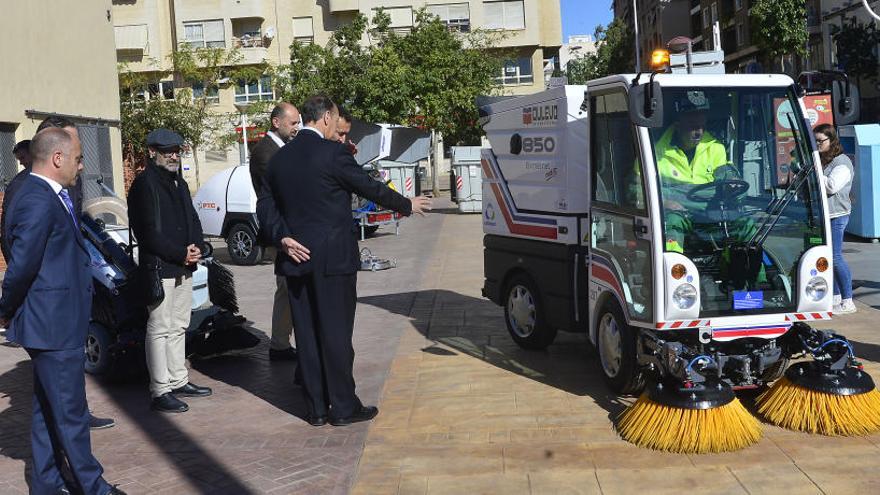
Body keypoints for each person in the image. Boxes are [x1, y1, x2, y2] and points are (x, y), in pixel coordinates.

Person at [265, 95, 431, 426]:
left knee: (307, 335)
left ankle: (315, 408)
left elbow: (265, 207)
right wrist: (406, 204)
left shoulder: (279, 159)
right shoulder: (332, 153)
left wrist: (281, 238)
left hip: (295, 259)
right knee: (336, 334)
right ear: (326, 118)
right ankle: (342, 407)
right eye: (336, 120)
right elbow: (369, 187)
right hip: (332, 260)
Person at [0, 128, 125, 495]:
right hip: (51, 323)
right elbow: (21, 264)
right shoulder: (36, 198)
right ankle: (93, 486)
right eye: (77, 158)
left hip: (59, 319)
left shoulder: (52, 195)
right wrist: (5, 309)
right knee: (70, 412)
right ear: (57, 158)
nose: (81, 165)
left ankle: (46, 483)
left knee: (46, 408)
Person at [128, 129, 212, 413]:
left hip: (184, 266)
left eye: (176, 150)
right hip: (160, 267)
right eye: (167, 150)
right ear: (152, 152)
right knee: (160, 328)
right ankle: (160, 389)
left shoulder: (179, 182)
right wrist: (180, 253)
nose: (173, 155)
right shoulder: (144, 185)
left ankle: (178, 379)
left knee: (179, 326)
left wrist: (198, 246)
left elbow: (192, 218)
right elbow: (147, 233)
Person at [250, 102, 301, 362]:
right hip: (281, 232)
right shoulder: (264, 153)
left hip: (289, 230)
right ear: (276, 122)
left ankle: (281, 342)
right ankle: (280, 344)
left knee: (288, 288)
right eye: (292, 123)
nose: (296, 128)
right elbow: (284, 190)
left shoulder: (282, 149)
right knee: (287, 287)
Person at [815, 123, 856, 314]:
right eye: (815, 141)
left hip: (837, 215)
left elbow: (832, 186)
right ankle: (836, 296)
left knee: (835, 257)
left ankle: (848, 300)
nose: (817, 145)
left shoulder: (842, 162)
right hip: (825, 215)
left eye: (820, 141)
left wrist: (816, 172)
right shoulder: (824, 160)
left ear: (831, 140)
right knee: (827, 257)